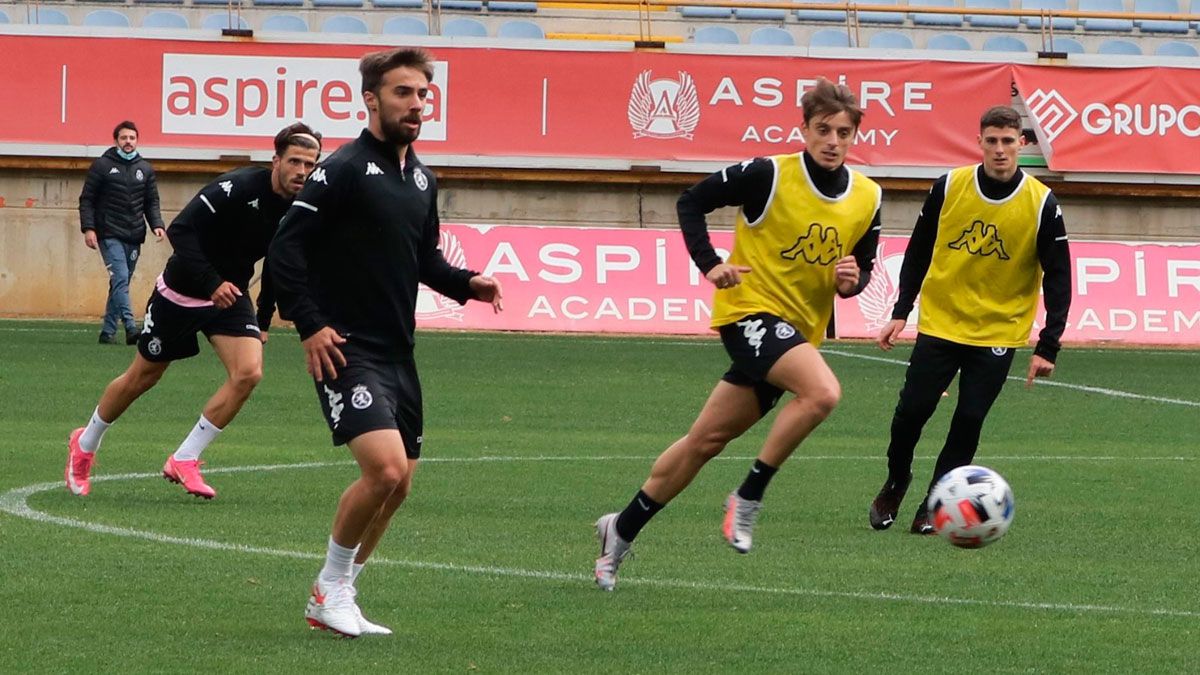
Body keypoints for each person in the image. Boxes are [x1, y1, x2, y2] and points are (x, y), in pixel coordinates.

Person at [593, 79, 883, 592]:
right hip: (749, 313)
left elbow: (859, 269)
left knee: (704, 441)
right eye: (823, 130)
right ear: (804, 129)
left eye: (843, 131)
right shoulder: (767, 173)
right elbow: (691, 202)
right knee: (822, 393)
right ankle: (748, 496)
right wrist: (712, 265)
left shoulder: (868, 196)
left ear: (856, 135)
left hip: (797, 333)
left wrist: (849, 281)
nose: (833, 140)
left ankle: (621, 528)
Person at [268, 47, 504, 638]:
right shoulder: (344, 167)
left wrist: (466, 283)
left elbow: (422, 258)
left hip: (399, 352)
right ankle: (329, 588)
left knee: (398, 487)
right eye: (404, 93)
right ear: (371, 99)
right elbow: (286, 248)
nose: (417, 104)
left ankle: (339, 592)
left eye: (423, 94)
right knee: (384, 470)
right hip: (344, 346)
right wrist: (308, 323)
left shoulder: (422, 176)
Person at [65, 123, 322, 500]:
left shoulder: (304, 205)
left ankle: (185, 458)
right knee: (142, 378)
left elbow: (282, 264)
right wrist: (211, 282)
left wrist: (263, 320)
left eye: (310, 164)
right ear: (276, 161)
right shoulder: (238, 187)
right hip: (182, 292)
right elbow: (181, 230)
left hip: (230, 297)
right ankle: (84, 444)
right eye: (295, 161)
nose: (302, 171)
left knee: (248, 372)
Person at [867, 105, 1072, 535]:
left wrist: (1048, 344)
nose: (1000, 150)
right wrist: (901, 311)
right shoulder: (950, 186)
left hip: (999, 330)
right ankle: (896, 480)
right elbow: (919, 249)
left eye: (1008, 141)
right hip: (942, 322)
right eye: (992, 141)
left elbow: (1059, 275)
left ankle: (934, 502)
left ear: (1022, 143)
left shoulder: (1040, 203)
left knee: (969, 419)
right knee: (911, 413)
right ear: (979, 142)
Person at [79, 121, 166, 345]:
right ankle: (130, 326)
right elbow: (87, 199)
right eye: (124, 138)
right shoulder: (102, 166)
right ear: (116, 140)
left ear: (137, 140)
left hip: (134, 234)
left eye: (132, 138)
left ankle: (107, 332)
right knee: (120, 278)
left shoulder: (144, 169)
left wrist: (157, 224)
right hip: (108, 232)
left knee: (120, 282)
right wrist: (89, 228)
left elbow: (151, 201)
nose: (128, 142)